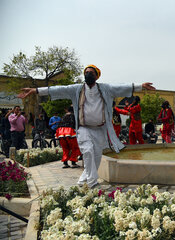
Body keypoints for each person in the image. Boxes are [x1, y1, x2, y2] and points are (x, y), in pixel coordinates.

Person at [18, 64, 155, 188]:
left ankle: (83, 178)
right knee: (87, 151)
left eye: (91, 72)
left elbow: (121, 87)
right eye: (86, 72)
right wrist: (35, 90)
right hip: (84, 128)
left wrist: (140, 86)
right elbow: (57, 89)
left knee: (96, 157)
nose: (88, 74)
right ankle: (92, 182)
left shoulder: (105, 88)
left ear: (96, 76)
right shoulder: (76, 89)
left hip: (100, 129)